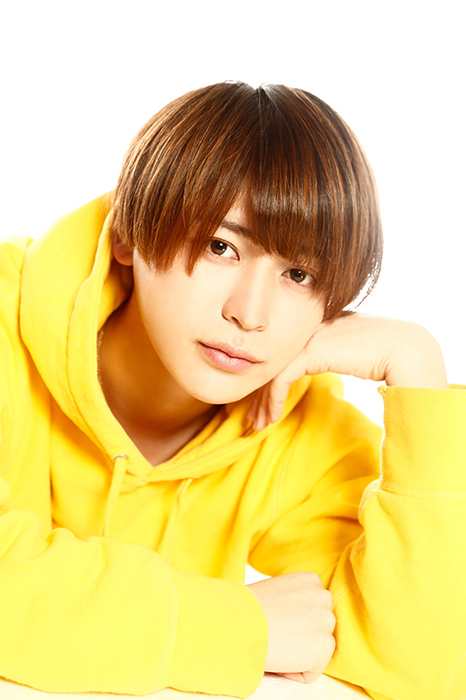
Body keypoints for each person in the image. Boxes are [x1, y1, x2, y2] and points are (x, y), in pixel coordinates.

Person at [0, 81, 464, 700]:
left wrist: (420, 371)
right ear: (128, 233)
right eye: (221, 246)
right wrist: (239, 629)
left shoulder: (298, 430)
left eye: (299, 274)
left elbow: (421, 666)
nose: (250, 313)